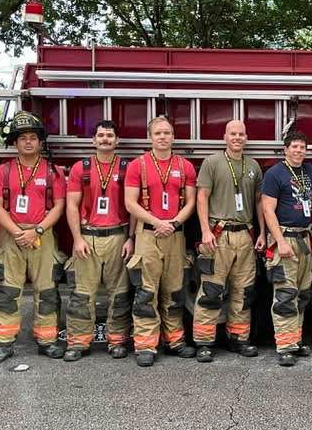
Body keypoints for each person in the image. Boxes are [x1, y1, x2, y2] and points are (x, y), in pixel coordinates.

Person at [0, 111, 68, 363]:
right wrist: (17, 232)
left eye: (33, 138)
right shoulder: (3, 171)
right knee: (7, 290)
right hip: (12, 236)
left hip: (42, 234)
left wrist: (37, 230)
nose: (28, 142)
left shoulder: (52, 171)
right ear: (15, 142)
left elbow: (59, 205)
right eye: (23, 138)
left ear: (40, 142)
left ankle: (47, 339)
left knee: (47, 290)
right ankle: (3, 342)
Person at [261, 130, 312, 366]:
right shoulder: (275, 174)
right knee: (285, 294)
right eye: (294, 147)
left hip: (304, 240)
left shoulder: (309, 171)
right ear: (285, 149)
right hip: (285, 238)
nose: (298, 151)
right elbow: (267, 210)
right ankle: (285, 346)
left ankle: (294, 340)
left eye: (302, 148)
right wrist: (280, 242)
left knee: (302, 294)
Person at [124, 117, 197, 366]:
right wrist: (157, 222)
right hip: (149, 235)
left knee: (174, 291)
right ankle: (146, 345)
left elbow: (191, 202)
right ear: (150, 137)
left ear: (173, 137)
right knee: (146, 291)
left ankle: (174, 340)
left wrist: (174, 223)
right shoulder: (138, 166)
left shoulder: (185, 166)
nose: (163, 137)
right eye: (158, 133)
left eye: (167, 133)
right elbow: (130, 203)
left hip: (175, 235)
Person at [192, 120, 266, 363]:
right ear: (225, 136)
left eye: (241, 134)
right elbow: (202, 198)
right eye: (233, 134)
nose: (237, 137)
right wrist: (205, 231)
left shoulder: (253, 165)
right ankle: (203, 342)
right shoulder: (212, 163)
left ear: (246, 137)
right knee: (211, 290)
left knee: (243, 292)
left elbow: (258, 203)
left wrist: (263, 233)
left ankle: (239, 338)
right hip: (218, 234)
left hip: (245, 235)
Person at [62, 120, 135, 362]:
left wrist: (131, 238)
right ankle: (78, 342)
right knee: (82, 293)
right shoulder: (80, 168)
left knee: (120, 293)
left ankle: (117, 341)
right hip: (88, 238)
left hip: (117, 236)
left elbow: (134, 207)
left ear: (117, 141)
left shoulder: (127, 168)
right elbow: (71, 205)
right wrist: (77, 239)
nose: (105, 139)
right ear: (93, 140)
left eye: (110, 135)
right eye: (101, 135)